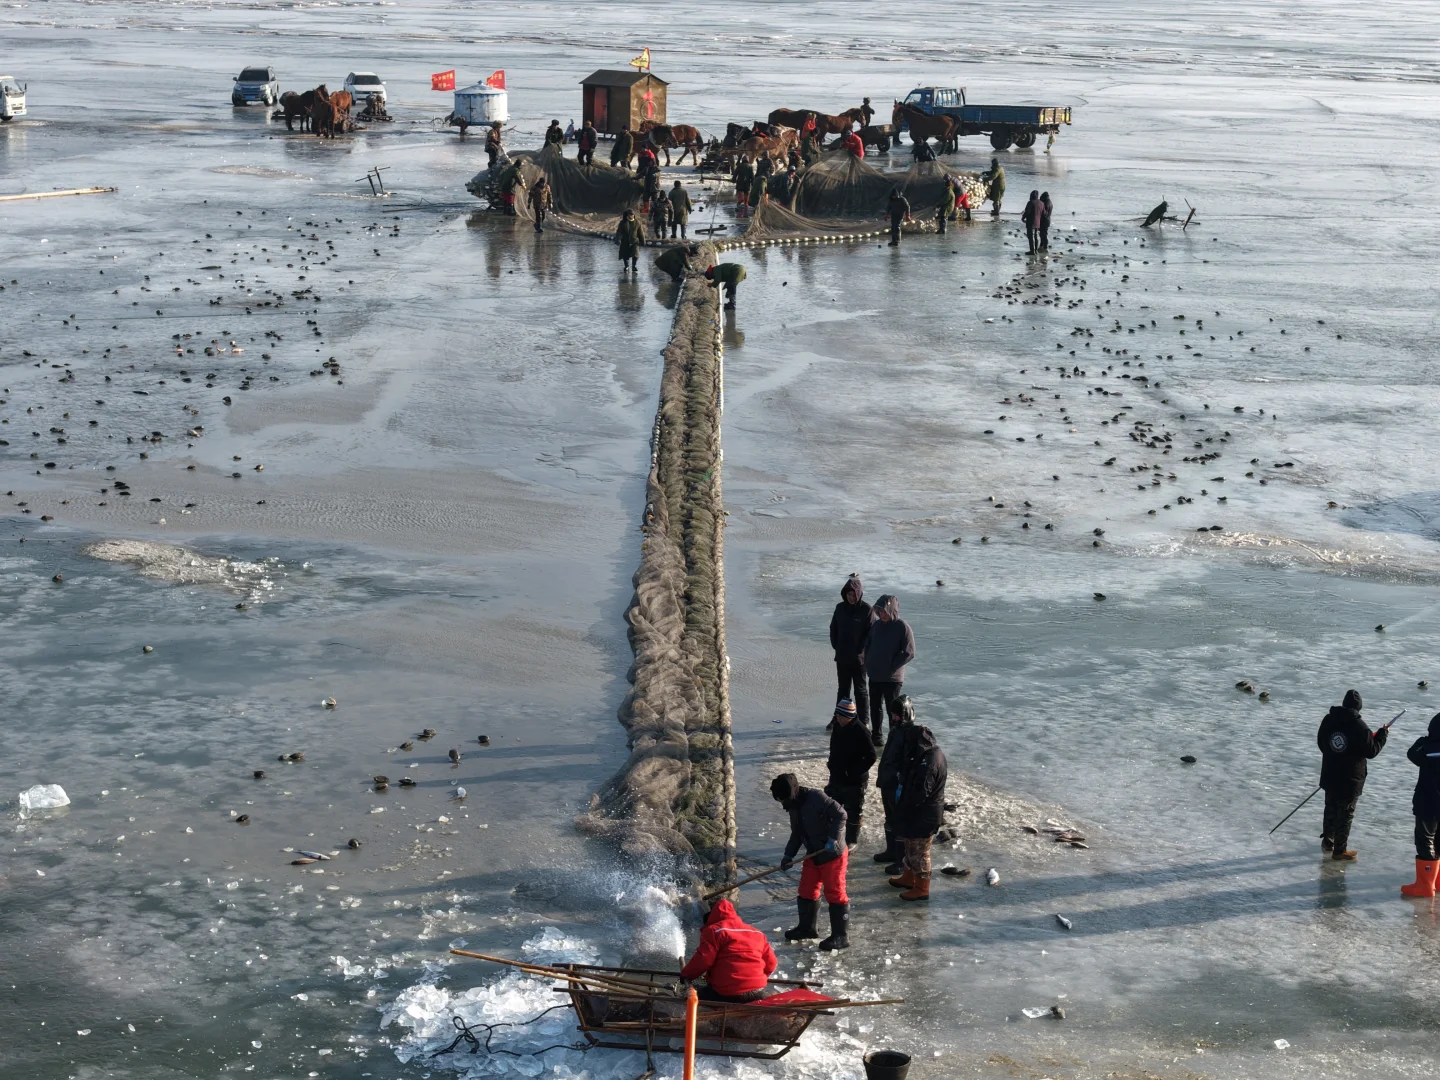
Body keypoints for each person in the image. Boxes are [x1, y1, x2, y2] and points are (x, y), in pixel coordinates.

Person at [771, 773, 850, 951]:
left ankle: (840, 936)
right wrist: (788, 855)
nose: (782, 803)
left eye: (783, 799)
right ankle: (807, 928)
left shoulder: (816, 798)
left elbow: (841, 815)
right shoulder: (793, 806)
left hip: (832, 854)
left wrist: (833, 839)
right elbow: (797, 833)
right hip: (814, 853)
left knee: (835, 893)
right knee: (807, 890)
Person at [1317, 689, 1387, 860]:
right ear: (1359, 707)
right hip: (1350, 779)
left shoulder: (1329, 719)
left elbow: (1321, 743)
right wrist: (1381, 736)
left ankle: (1328, 841)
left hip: (1330, 774)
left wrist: (1335, 755)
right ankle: (1339, 851)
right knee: (1346, 813)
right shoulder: (1360, 726)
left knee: (1331, 808)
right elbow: (1371, 751)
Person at [888, 723, 947, 901]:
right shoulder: (926, 755)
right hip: (918, 812)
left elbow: (921, 791)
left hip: (925, 814)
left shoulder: (930, 761)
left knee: (920, 851)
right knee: (910, 846)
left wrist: (907, 805)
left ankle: (922, 888)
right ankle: (909, 877)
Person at [679, 898, 777, 1003]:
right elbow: (772, 963)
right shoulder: (757, 933)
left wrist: (686, 974)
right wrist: (756, 979)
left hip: (726, 992)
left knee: (691, 996)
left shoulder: (713, 930)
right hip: (758, 991)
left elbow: (704, 959)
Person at [865, 594, 915, 745]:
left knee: (892, 710)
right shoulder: (876, 626)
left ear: (892, 610)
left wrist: (893, 665)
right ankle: (877, 736)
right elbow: (868, 645)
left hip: (892, 678)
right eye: (879, 611)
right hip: (875, 675)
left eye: (885, 611)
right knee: (875, 707)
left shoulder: (902, 627)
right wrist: (868, 662)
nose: (882, 614)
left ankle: (894, 738)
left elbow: (910, 652)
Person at [872, 695, 915, 870]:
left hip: (898, 786)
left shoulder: (910, 734)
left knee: (899, 822)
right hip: (888, 783)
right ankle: (891, 851)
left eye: (897, 715)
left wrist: (900, 782)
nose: (893, 718)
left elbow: (907, 762)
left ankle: (900, 860)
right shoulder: (896, 731)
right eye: (892, 714)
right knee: (890, 819)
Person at [826, 699, 876, 848]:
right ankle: (833, 835)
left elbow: (871, 756)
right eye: (837, 715)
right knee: (834, 807)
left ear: (849, 716)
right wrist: (831, 764)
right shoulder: (837, 726)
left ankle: (852, 840)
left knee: (853, 810)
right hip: (837, 776)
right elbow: (833, 748)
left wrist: (854, 772)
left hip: (855, 780)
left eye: (841, 716)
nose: (838, 719)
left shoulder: (862, 731)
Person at [1402, 714, 1440, 897]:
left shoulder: (1426, 748)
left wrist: (1426, 739)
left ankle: (1425, 885)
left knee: (1425, 839)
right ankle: (1437, 881)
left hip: (1428, 802)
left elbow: (1412, 754)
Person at [829, 573, 871, 727]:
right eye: (848, 594)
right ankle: (838, 719)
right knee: (843, 690)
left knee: (860, 691)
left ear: (859, 594)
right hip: (842, 657)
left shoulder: (867, 610)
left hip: (859, 659)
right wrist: (836, 645)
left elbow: (869, 634)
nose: (851, 597)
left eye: (854, 594)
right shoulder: (840, 608)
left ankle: (863, 722)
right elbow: (833, 628)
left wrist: (860, 650)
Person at [1023, 189, 1045, 254]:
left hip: (1030, 221)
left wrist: (1023, 217)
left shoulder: (1030, 202)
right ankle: (1036, 251)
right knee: (1036, 236)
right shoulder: (1041, 203)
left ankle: (1032, 251)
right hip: (1038, 222)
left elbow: (1027, 212)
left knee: (1030, 236)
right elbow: (1044, 213)